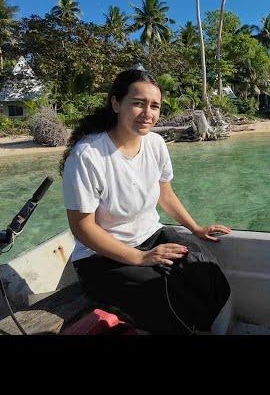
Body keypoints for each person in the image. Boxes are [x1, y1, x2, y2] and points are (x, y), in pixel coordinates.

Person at [61, 67, 231, 334]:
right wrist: (140, 258)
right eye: (138, 103)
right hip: (100, 257)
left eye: (155, 106)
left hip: (150, 235)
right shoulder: (88, 155)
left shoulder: (155, 143)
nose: (148, 113)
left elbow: (166, 194)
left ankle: (196, 328)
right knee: (163, 293)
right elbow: (82, 228)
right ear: (116, 103)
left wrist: (195, 228)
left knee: (207, 272)